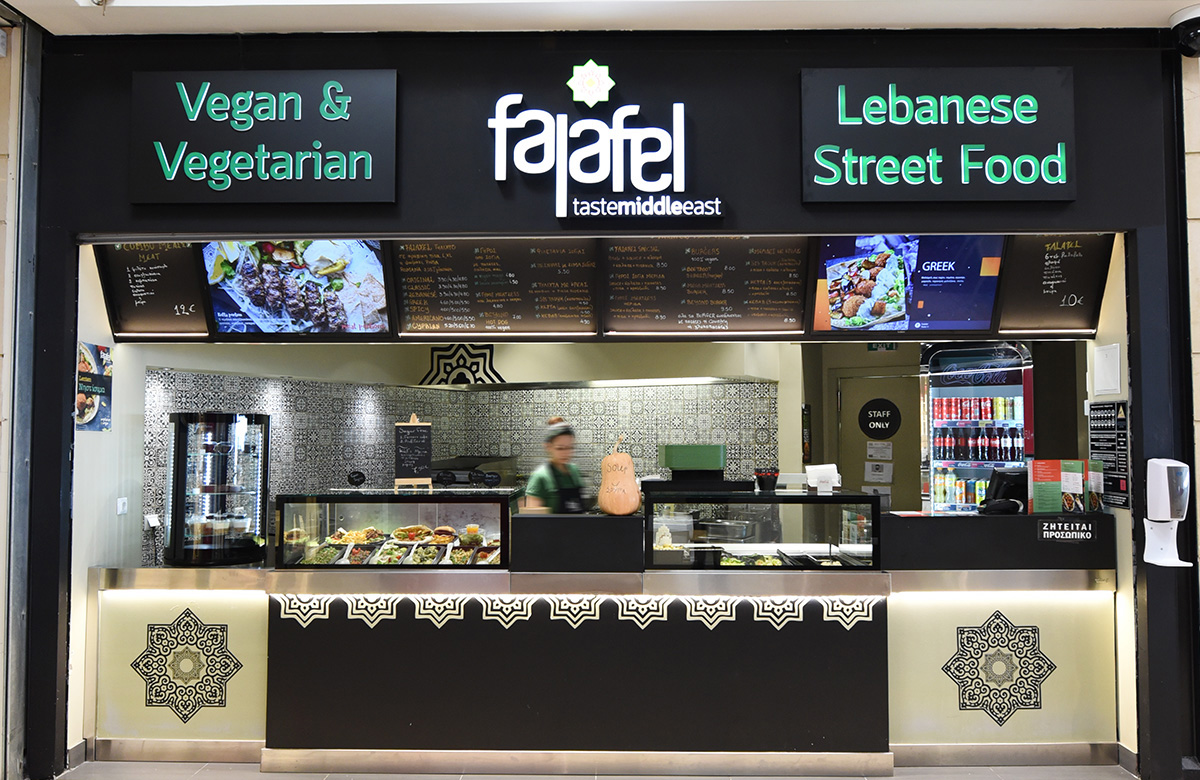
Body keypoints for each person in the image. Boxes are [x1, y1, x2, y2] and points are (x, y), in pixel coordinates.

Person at [524, 417, 587, 513]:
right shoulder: (540, 477)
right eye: (560, 448)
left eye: (570, 448)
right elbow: (532, 518)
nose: (566, 453)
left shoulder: (574, 470)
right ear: (548, 447)